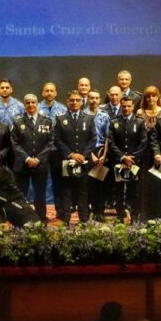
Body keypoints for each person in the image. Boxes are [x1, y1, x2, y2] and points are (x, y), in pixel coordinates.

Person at [54, 91, 97, 223]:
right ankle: (66, 220)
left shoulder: (88, 118)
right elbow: (57, 139)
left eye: (77, 100)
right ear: (67, 102)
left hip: (83, 161)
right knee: (66, 191)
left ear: (81, 102)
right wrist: (71, 154)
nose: (74, 102)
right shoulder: (60, 119)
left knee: (83, 191)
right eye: (72, 100)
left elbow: (93, 139)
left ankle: (84, 220)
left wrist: (83, 155)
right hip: (67, 160)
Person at [10, 94, 54, 221]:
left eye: (33, 102)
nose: (31, 105)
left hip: (41, 164)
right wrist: (28, 159)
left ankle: (41, 218)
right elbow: (15, 143)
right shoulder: (17, 121)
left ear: (37, 104)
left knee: (40, 194)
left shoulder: (47, 120)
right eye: (28, 103)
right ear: (24, 105)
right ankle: (22, 218)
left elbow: (50, 143)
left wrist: (38, 159)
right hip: (22, 164)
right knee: (21, 195)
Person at [106, 96, 147, 223]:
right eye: (124, 106)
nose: (126, 108)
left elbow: (143, 142)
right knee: (118, 190)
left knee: (133, 191)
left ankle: (134, 217)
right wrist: (123, 157)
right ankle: (120, 216)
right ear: (121, 106)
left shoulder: (140, 122)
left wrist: (132, 158)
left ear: (133, 107)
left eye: (129, 106)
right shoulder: (114, 122)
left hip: (134, 163)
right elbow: (111, 143)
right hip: (119, 162)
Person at [84, 90, 111, 221]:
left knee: (100, 184)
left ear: (100, 100)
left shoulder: (105, 116)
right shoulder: (82, 115)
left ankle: (99, 211)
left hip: (101, 151)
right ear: (87, 99)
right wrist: (90, 154)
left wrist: (104, 155)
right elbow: (82, 138)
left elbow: (107, 137)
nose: (94, 100)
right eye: (91, 98)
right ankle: (86, 211)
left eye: (96, 98)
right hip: (87, 151)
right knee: (86, 184)